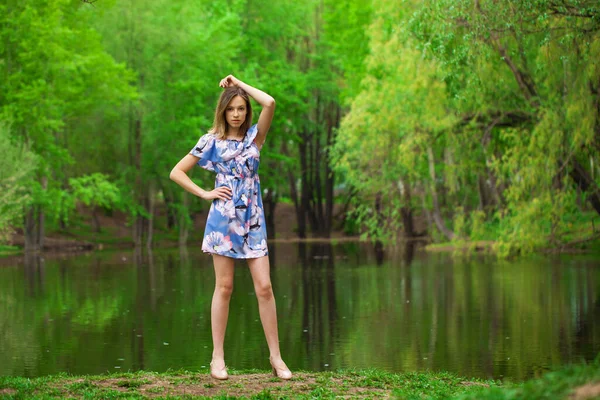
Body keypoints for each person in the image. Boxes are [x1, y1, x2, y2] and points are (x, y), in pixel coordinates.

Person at [169, 75, 292, 381]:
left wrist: (238, 83)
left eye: (241, 109)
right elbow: (176, 172)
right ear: (223, 111)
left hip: (253, 220)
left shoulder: (254, 138)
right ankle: (217, 358)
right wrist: (205, 193)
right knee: (224, 287)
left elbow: (270, 102)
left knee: (264, 287)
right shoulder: (210, 141)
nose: (237, 114)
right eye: (231, 109)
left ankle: (276, 358)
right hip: (223, 221)